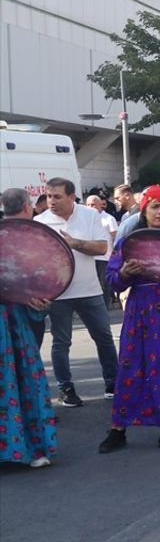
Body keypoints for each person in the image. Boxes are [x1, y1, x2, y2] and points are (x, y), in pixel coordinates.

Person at [97, 186, 160, 453]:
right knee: (132, 368)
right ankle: (119, 428)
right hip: (141, 312)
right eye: (155, 206)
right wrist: (125, 273)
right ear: (144, 210)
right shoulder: (130, 243)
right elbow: (113, 282)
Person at [35, 178, 116, 407]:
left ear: (72, 197)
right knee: (61, 343)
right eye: (49, 196)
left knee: (104, 338)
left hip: (89, 290)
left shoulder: (90, 215)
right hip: (58, 294)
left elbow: (102, 247)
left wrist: (74, 243)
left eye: (57, 196)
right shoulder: (40, 221)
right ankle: (66, 389)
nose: (51, 201)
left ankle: (112, 382)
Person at [0, 187, 57, 468]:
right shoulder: (28, 240)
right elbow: (40, 282)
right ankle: (31, 449)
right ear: (27, 207)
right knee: (22, 382)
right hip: (13, 323)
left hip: (13, 319)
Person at [85, 195, 119, 309]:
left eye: (93, 205)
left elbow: (115, 237)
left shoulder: (108, 219)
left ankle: (104, 307)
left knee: (103, 284)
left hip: (104, 257)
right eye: (88, 205)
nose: (90, 207)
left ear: (101, 204)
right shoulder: (85, 219)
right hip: (89, 257)